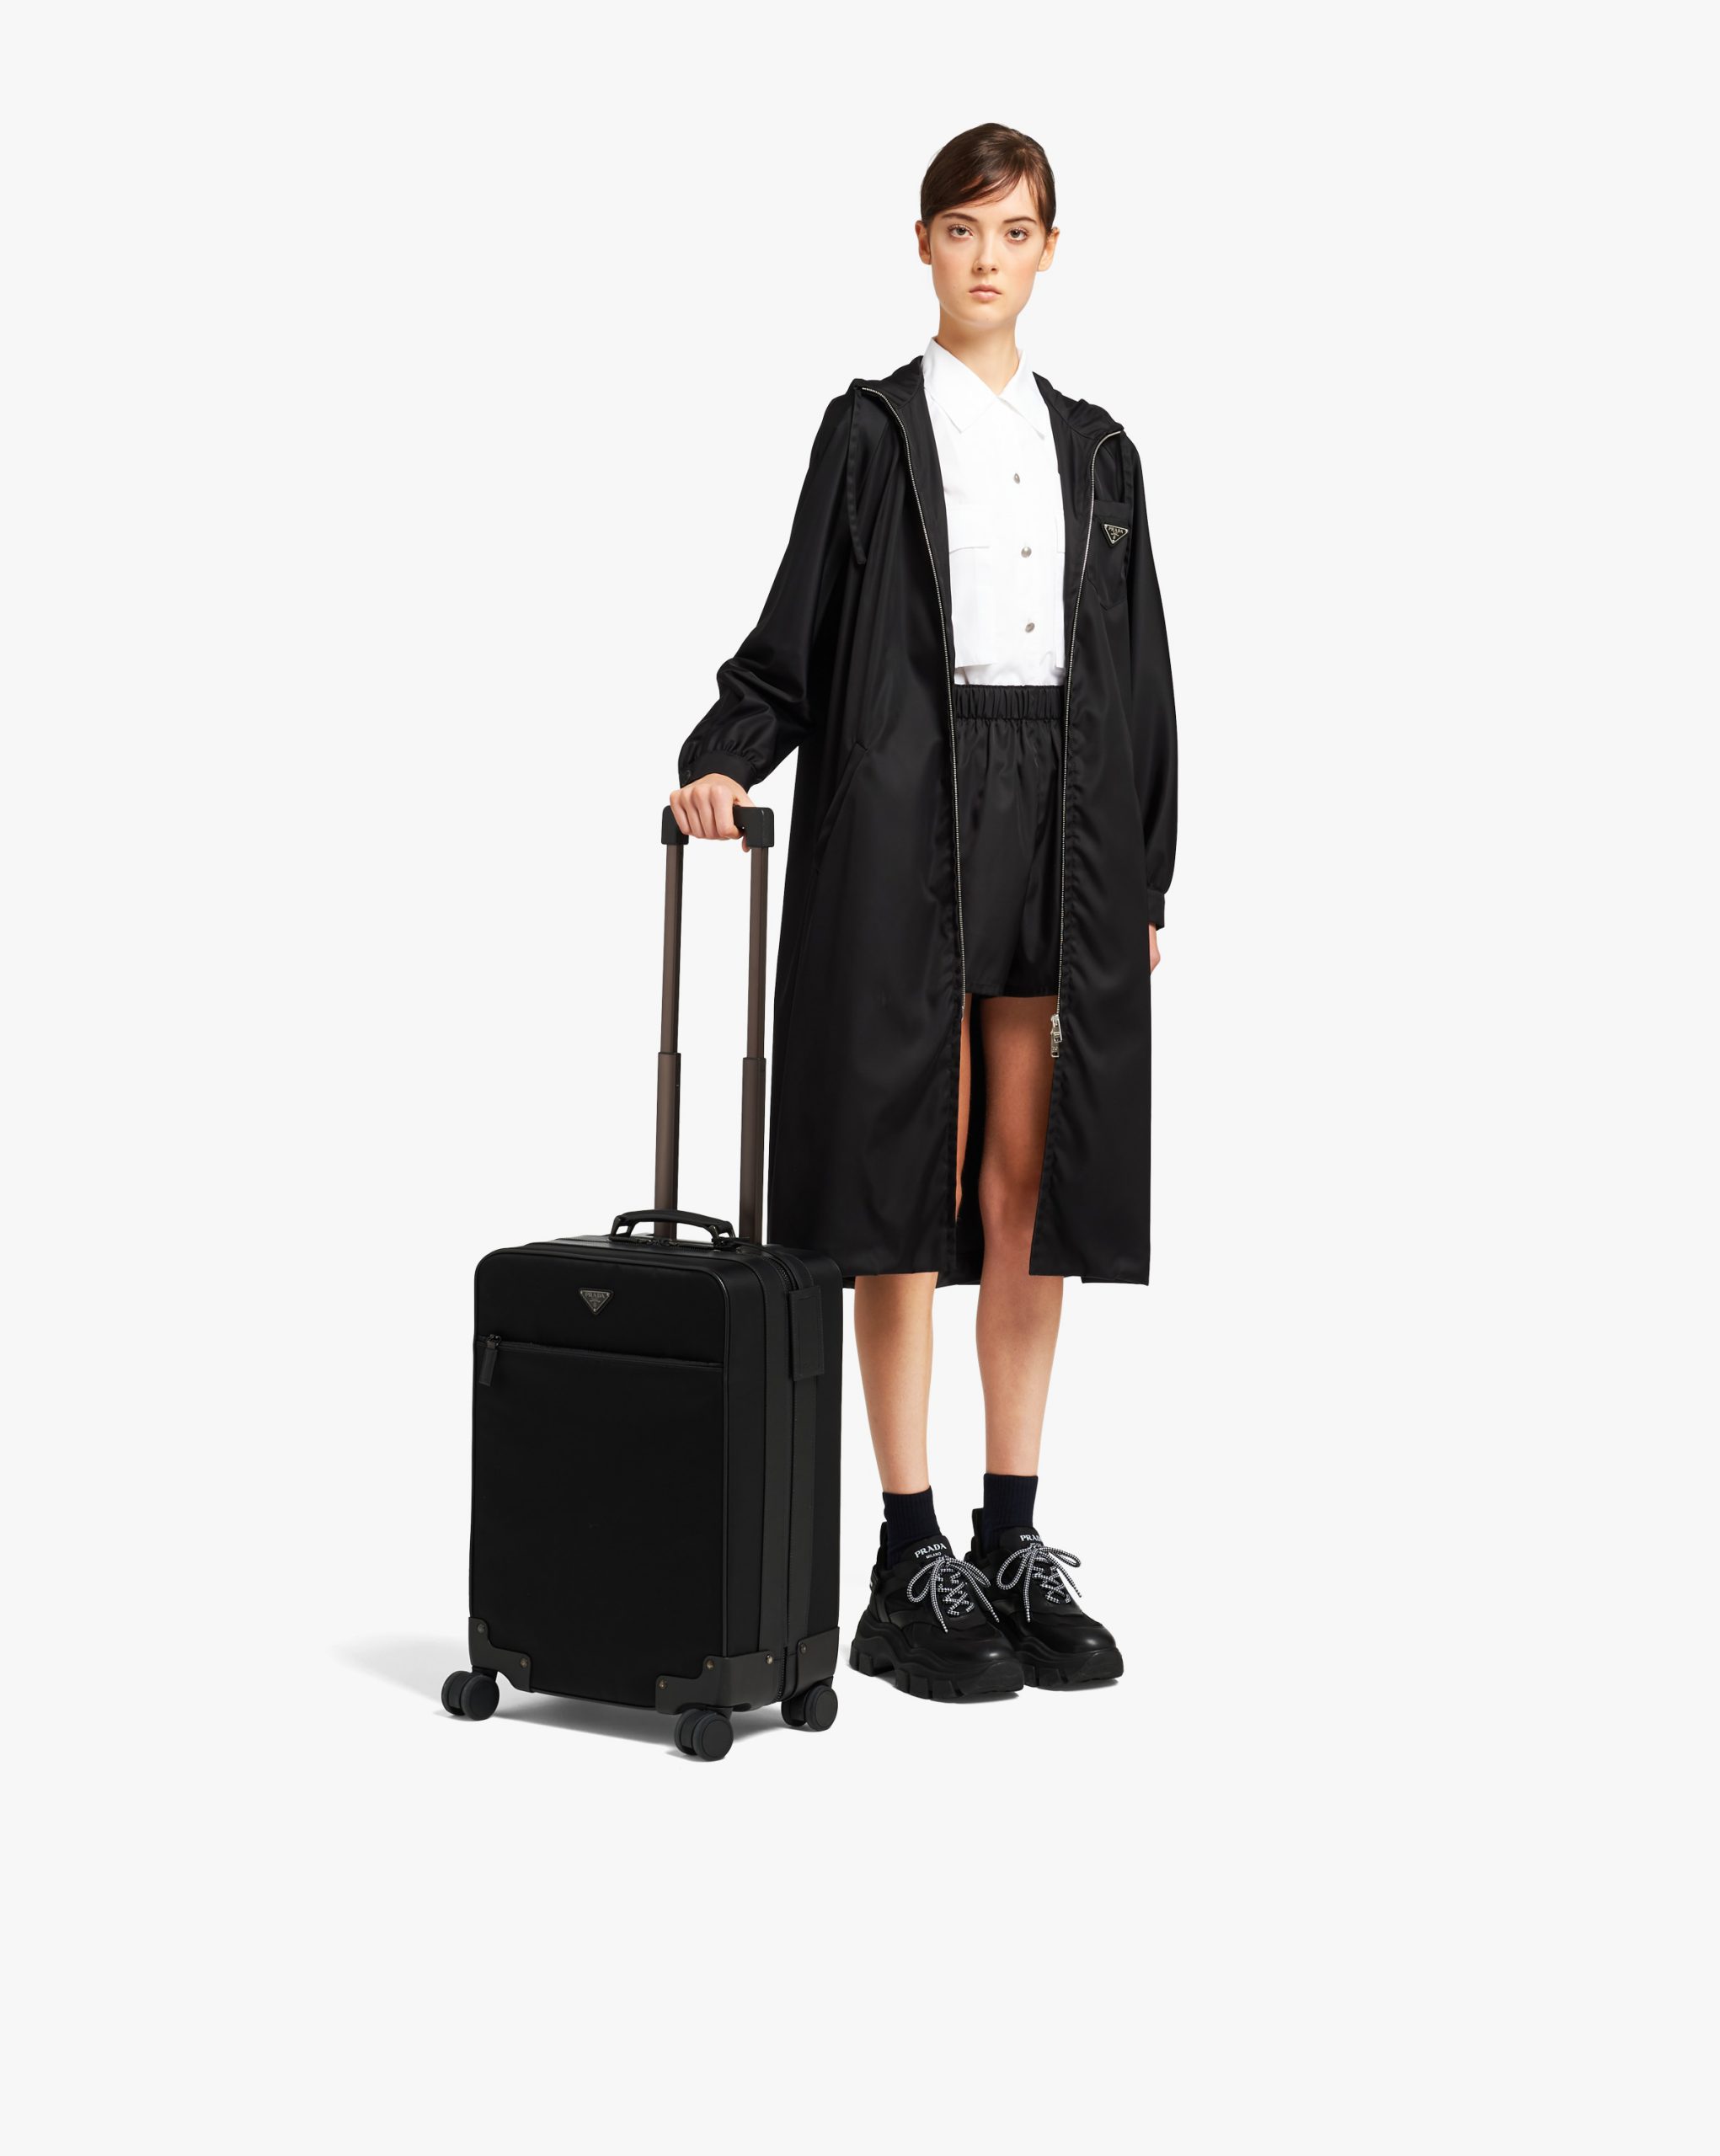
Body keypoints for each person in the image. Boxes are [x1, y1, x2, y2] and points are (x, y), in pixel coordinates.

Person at [669, 122, 1177, 1702]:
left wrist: (1144, 873)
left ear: (1049, 251)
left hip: (1069, 818)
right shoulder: (873, 432)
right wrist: (725, 754)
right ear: (922, 244)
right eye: (963, 228)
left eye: (1015, 232)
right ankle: (907, 1553)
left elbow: (1143, 667)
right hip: (911, 806)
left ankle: (1011, 1537)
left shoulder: (1099, 450)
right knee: (910, 1165)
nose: (987, 258)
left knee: (1034, 1175)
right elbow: (800, 628)